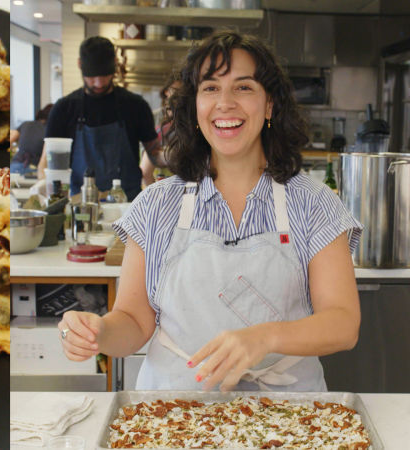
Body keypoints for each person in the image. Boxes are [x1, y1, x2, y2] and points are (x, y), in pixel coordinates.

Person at [57, 31, 363, 392]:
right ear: (195, 107)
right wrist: (98, 332)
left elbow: (343, 323)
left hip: (289, 412)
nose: (225, 103)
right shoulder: (156, 205)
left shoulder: (314, 203)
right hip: (173, 409)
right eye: (211, 88)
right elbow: (134, 322)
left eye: (243, 87)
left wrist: (265, 337)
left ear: (269, 105)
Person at [37, 36, 163, 200]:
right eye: (92, 76)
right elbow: (46, 163)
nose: (99, 83)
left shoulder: (135, 106)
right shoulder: (64, 109)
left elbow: (155, 154)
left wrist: (173, 157)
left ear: (115, 65)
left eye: (105, 75)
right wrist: (45, 186)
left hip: (128, 205)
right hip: (80, 204)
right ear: (79, 64)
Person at [140, 73, 182, 187]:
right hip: (161, 187)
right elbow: (145, 171)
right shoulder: (157, 124)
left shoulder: (195, 126)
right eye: (175, 92)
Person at [10, 104, 53, 176]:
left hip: (15, 166)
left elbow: (11, 138)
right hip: (33, 169)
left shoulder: (26, 124)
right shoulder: (50, 130)